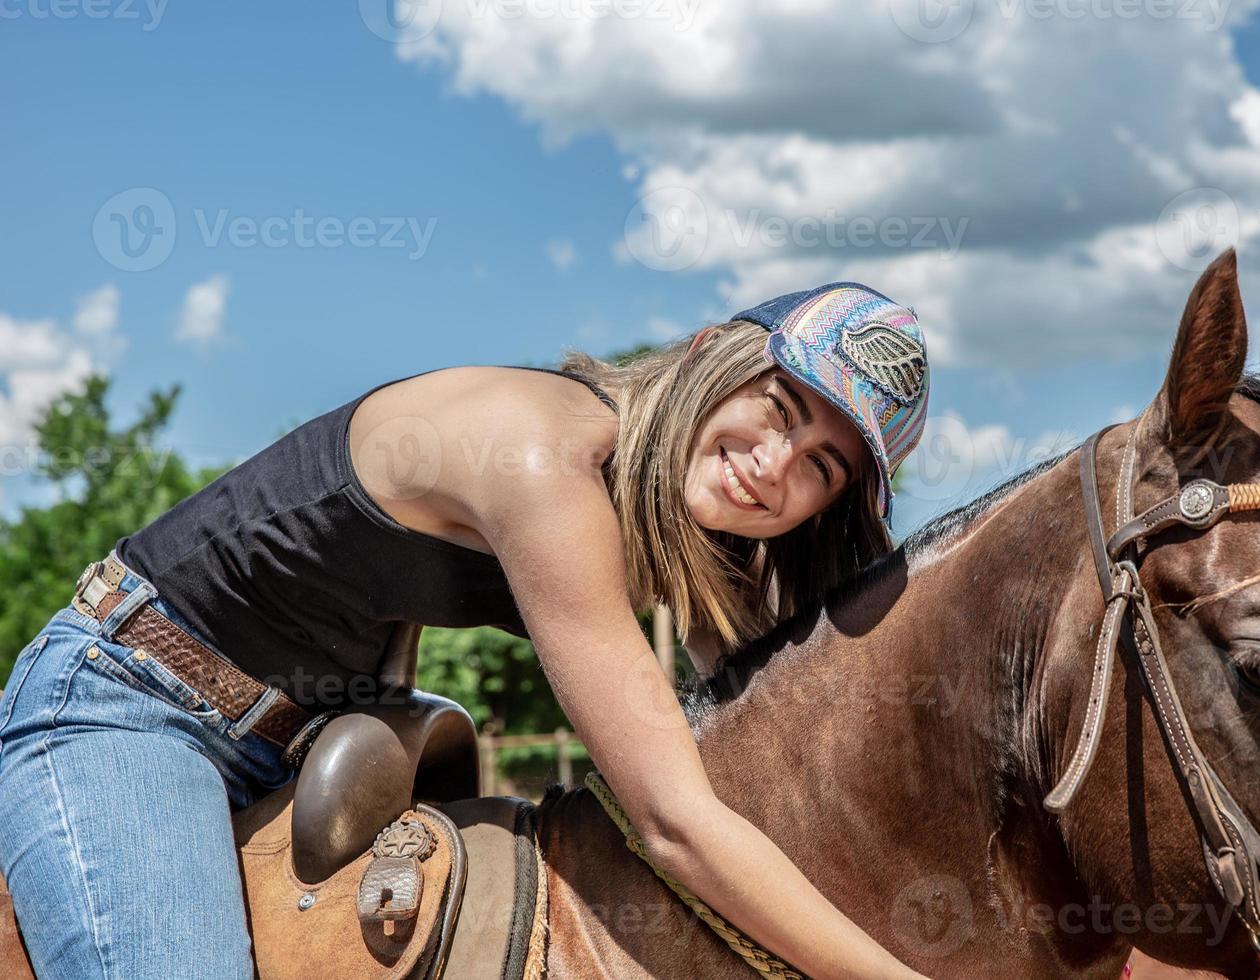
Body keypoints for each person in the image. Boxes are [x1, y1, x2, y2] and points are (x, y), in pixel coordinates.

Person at [0, 281, 932, 980]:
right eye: (776, 409)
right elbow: (676, 820)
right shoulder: (542, 457)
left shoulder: (680, 517)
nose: (774, 467)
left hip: (310, 740)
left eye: (821, 467)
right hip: (134, 704)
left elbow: (773, 752)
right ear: (704, 357)